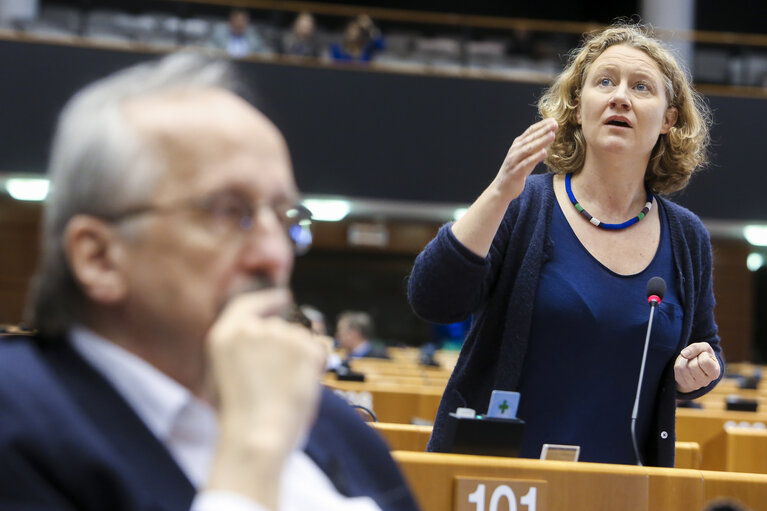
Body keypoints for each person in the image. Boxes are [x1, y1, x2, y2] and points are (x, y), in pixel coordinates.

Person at [0, 53, 419, 511]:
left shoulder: (330, 422)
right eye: (227, 212)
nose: (273, 254)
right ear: (98, 257)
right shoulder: (18, 423)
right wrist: (254, 449)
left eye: (283, 217)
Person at [407, 23, 723, 467]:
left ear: (669, 120)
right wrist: (499, 191)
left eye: (641, 87)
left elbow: (703, 349)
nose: (620, 97)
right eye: (605, 81)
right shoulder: (522, 205)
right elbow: (432, 299)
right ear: (577, 107)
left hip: (619, 483)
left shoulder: (688, 237)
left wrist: (701, 372)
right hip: (499, 478)